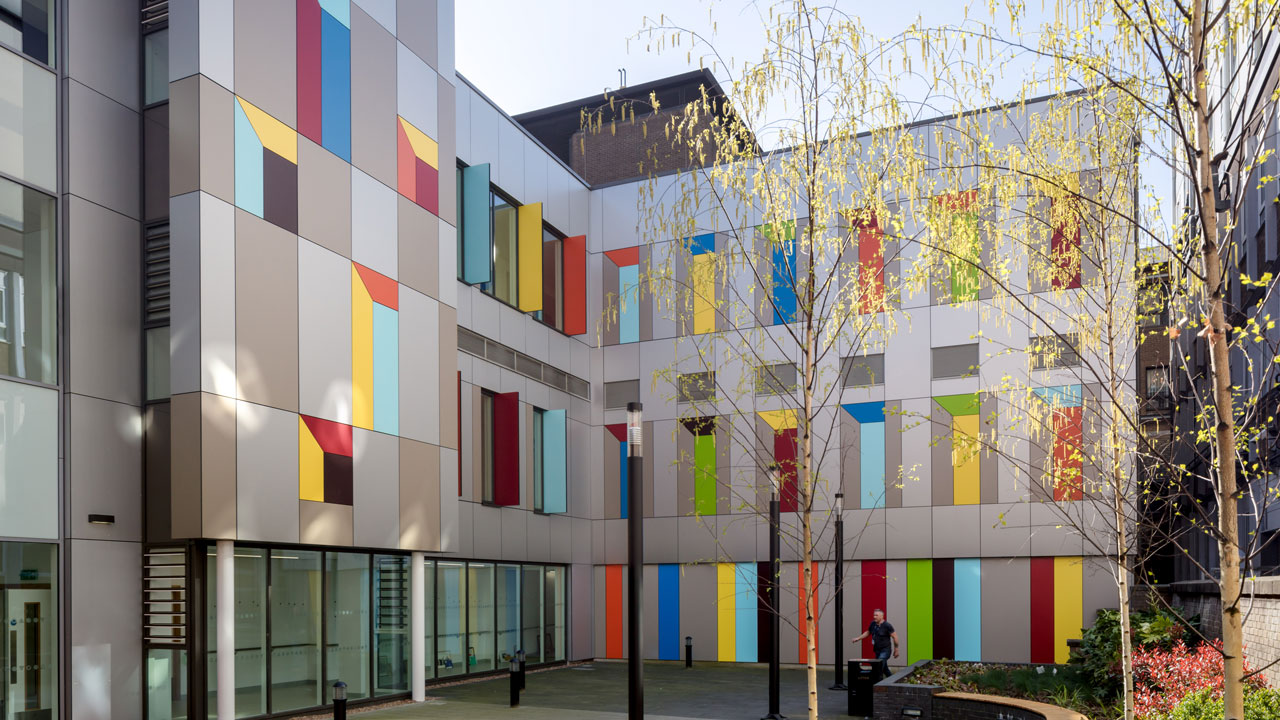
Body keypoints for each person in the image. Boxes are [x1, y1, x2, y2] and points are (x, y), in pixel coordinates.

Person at [851, 608, 898, 678]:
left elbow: (895, 637)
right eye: (874, 615)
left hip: (885, 650)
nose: (874, 617)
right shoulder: (873, 624)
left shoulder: (887, 625)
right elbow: (868, 632)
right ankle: (893, 681)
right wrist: (858, 638)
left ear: (882, 616)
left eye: (876, 615)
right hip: (877, 650)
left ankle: (877, 685)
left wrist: (896, 649)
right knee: (884, 669)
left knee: (878, 667)